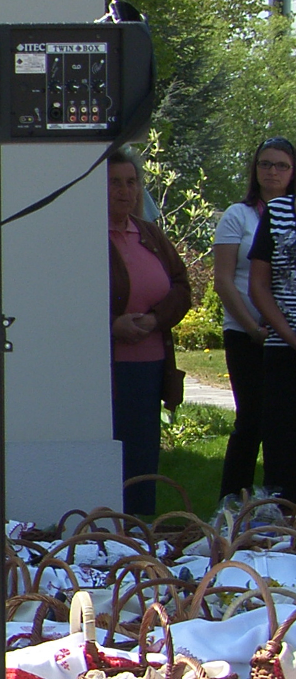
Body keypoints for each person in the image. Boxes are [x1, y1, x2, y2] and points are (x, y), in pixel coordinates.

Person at [107, 148, 191, 514]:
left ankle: (141, 534)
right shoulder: (86, 238)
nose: (125, 191)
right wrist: (112, 326)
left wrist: (156, 320)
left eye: (131, 182)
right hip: (111, 368)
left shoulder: (150, 234)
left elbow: (181, 285)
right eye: (114, 183)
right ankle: (109, 532)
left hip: (151, 366)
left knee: (144, 456)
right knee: (115, 456)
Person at [213, 138, 296, 499]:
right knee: (253, 421)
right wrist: (252, 325)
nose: (272, 171)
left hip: (272, 328)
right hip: (249, 331)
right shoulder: (240, 215)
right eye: (265, 164)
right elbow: (225, 279)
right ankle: (235, 501)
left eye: (281, 165)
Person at [249, 159, 296, 495]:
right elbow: (259, 285)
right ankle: (282, 534)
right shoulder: (278, 212)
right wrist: (291, 336)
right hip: (284, 351)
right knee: (283, 451)